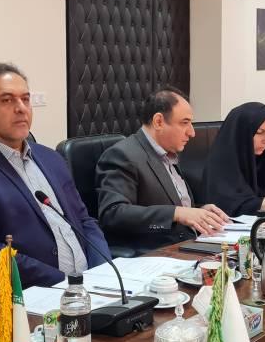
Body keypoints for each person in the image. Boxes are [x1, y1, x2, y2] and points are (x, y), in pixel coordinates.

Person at [0, 62, 110, 289]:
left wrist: (102, 271)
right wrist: (66, 284)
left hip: (92, 286)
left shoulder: (51, 157)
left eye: (25, 99)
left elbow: (84, 221)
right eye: (7, 100)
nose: (21, 108)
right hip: (35, 294)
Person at [95, 87, 229, 250]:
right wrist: (177, 213)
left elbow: (171, 204)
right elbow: (113, 214)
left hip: (190, 244)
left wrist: (198, 212)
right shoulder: (122, 155)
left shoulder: (169, 153)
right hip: (156, 253)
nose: (192, 133)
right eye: (184, 123)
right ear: (158, 121)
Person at [202, 102, 265, 216]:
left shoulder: (262, 157)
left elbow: (260, 191)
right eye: (259, 132)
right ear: (242, 133)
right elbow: (229, 206)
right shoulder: (221, 162)